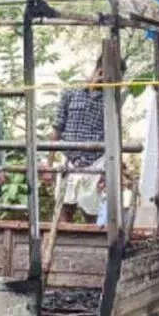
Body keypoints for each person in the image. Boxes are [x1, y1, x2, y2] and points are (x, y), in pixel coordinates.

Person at [54, 57, 107, 222]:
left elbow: (113, 134)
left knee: (92, 212)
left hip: (95, 161)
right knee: (63, 208)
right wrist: (48, 163)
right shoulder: (71, 93)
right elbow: (57, 127)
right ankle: (62, 245)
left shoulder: (110, 99)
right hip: (69, 158)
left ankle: (94, 247)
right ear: (100, 71)